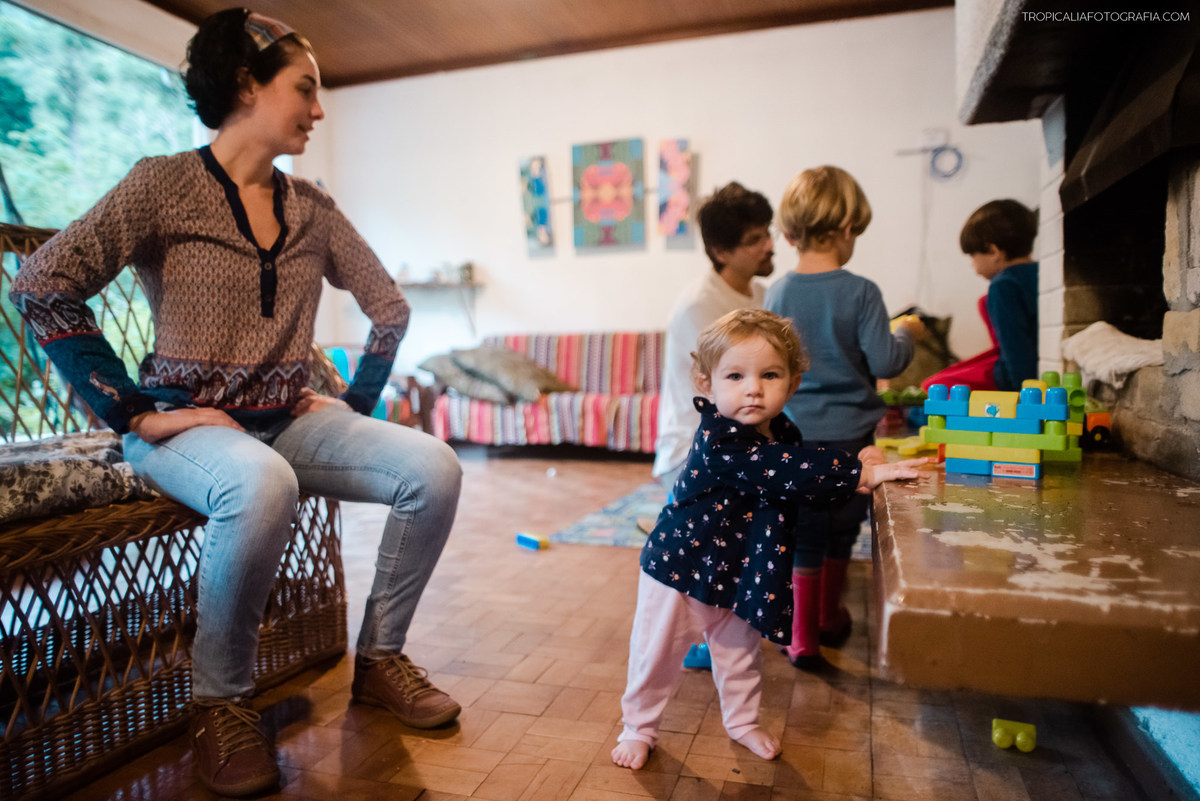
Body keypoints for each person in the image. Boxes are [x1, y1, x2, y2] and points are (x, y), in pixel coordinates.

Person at [9, 9, 462, 797]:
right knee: (261, 482)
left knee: (435, 466)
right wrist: (133, 412)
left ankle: (381, 658)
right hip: (185, 431)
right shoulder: (162, 184)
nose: (319, 110)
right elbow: (42, 282)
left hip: (288, 422)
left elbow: (390, 307)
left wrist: (349, 402)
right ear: (247, 85)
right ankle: (219, 703)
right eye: (306, 89)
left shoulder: (313, 207)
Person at [612, 309, 930, 770]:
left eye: (770, 375)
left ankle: (741, 722)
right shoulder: (720, 441)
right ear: (706, 383)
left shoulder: (781, 432)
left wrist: (857, 461)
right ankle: (638, 728)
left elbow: (800, 470)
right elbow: (781, 470)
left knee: (741, 657)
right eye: (736, 376)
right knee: (654, 658)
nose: (753, 388)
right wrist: (859, 473)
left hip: (740, 571)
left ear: (794, 383)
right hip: (680, 571)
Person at [763, 166, 924, 668]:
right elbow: (886, 362)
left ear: (790, 234)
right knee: (841, 530)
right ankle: (830, 618)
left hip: (794, 440)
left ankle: (801, 638)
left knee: (804, 533)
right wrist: (908, 332)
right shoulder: (861, 292)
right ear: (849, 229)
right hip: (852, 442)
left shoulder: (777, 294)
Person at [652, 182, 776, 496]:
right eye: (754, 240)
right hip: (693, 451)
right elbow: (728, 397)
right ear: (721, 252)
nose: (770, 246)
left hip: (741, 439)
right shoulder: (700, 306)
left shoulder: (762, 295)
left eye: (767, 232)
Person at [921, 199, 1039, 392]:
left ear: (993, 251)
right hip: (1028, 364)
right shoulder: (1042, 272)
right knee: (983, 302)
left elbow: (1018, 354)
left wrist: (1024, 397)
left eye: (973, 256)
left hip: (1018, 376)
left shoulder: (1003, 285)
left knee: (934, 385)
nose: (973, 265)